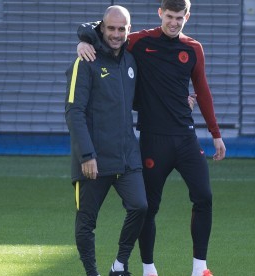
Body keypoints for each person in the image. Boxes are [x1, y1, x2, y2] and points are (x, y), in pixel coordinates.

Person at [76, 1, 227, 276]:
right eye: (169, 16)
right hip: (153, 140)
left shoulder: (193, 48)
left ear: (187, 16)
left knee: (204, 196)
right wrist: (84, 41)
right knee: (148, 207)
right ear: (161, 14)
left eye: (179, 17)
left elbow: (202, 91)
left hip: (185, 138)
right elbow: (106, 31)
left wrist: (216, 135)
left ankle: (200, 268)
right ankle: (149, 269)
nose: (174, 22)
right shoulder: (139, 41)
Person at [65, 5, 148, 276]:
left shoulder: (130, 61)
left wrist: (180, 104)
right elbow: (74, 111)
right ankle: (92, 273)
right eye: (110, 28)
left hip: (126, 156)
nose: (115, 34)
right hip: (94, 160)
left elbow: (137, 102)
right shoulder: (85, 61)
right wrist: (87, 155)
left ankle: (119, 266)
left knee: (140, 206)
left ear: (128, 30)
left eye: (121, 29)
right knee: (86, 222)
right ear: (101, 28)